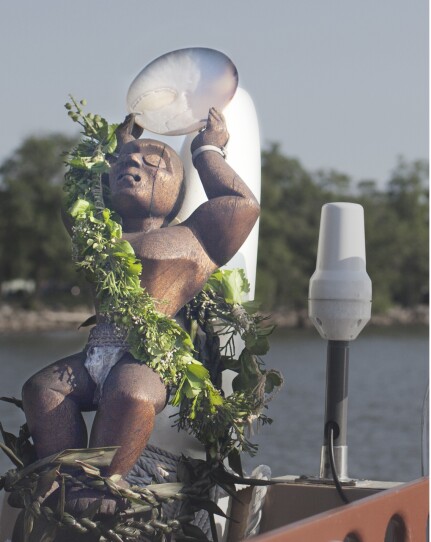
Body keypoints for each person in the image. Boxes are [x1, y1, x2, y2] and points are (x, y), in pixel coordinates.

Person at [21, 107, 260, 513]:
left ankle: (102, 485)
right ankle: (66, 480)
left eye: (152, 161)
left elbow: (242, 204)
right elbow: (73, 199)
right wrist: (107, 146)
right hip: (95, 350)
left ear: (178, 188)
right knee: (42, 390)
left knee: (130, 393)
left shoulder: (192, 237)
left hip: (148, 356)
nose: (133, 163)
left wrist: (207, 150)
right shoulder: (99, 231)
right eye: (124, 162)